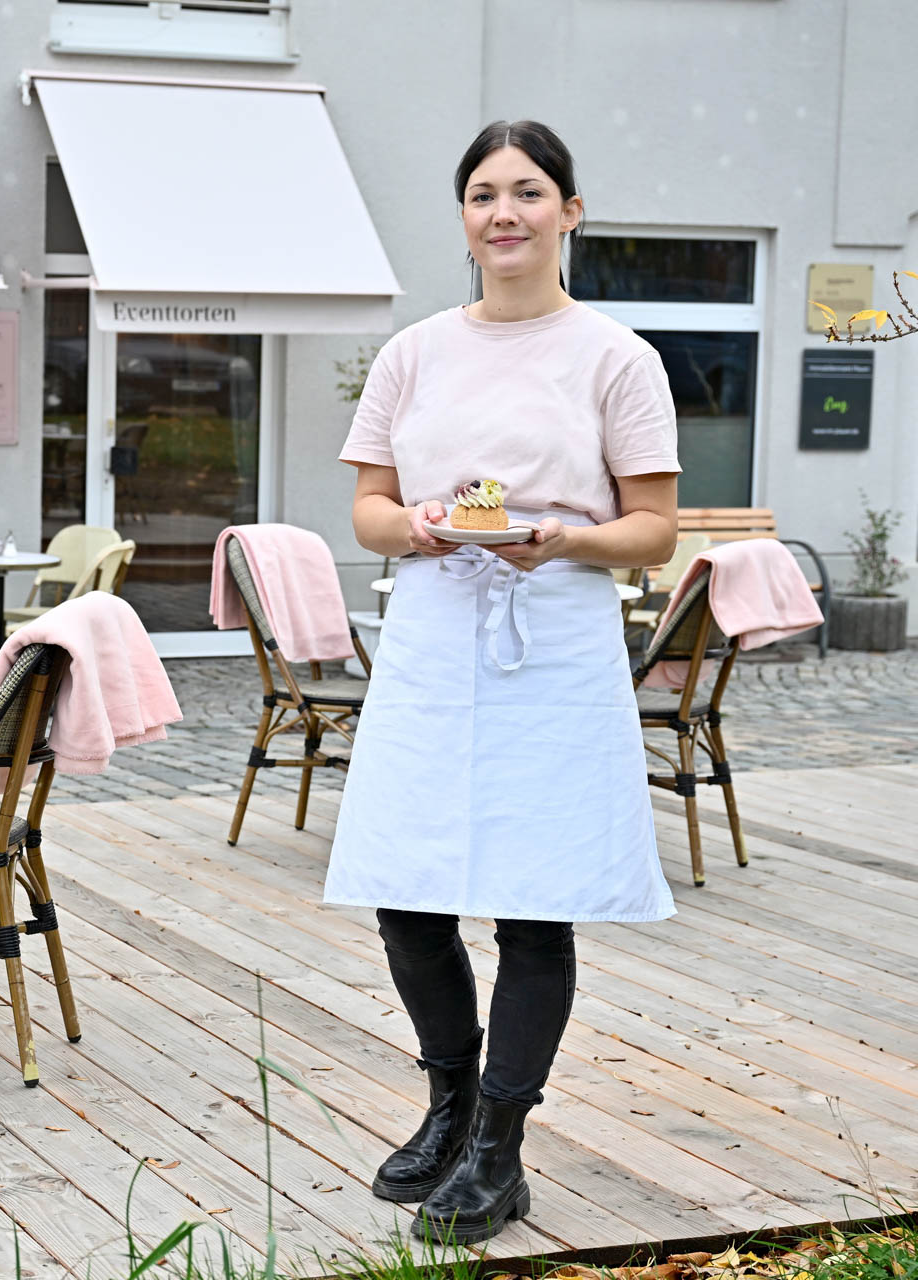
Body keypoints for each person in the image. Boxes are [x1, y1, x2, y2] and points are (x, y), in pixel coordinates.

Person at [325, 121, 681, 1245]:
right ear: (465, 217)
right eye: (484, 193)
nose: (505, 212)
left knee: (534, 901)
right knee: (408, 888)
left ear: (571, 211)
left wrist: (559, 541)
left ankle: (500, 1149)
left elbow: (656, 532)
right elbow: (371, 510)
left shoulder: (617, 357)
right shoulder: (414, 353)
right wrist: (422, 529)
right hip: (435, 630)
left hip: (555, 635)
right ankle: (449, 1099)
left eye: (530, 191)